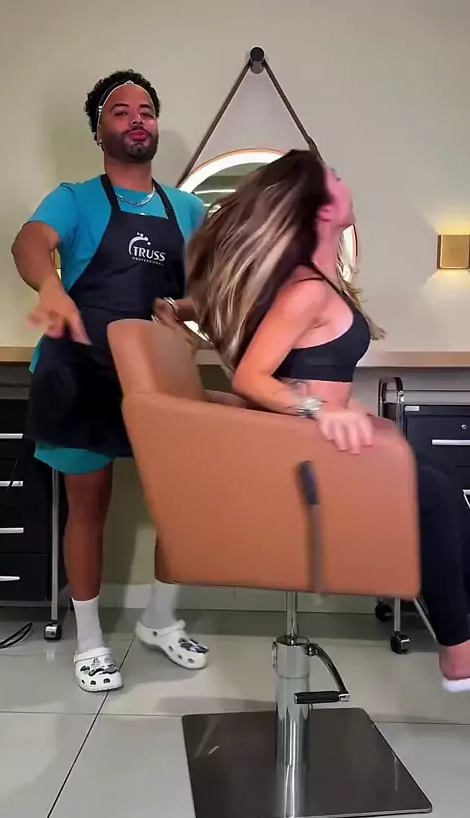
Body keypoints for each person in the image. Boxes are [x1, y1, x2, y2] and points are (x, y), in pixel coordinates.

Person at [185, 148, 470, 693]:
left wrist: (347, 412)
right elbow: (251, 378)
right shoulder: (307, 290)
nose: (344, 181)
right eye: (334, 177)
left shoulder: (318, 280)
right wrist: (320, 409)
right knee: (432, 492)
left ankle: (463, 638)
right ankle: (457, 653)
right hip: (303, 459)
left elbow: (308, 370)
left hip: (317, 448)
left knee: (439, 479)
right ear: (320, 208)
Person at [11, 69, 209, 692]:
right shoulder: (74, 199)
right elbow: (29, 243)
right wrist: (49, 286)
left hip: (154, 375)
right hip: (80, 372)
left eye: (145, 109)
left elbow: (209, 290)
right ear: (99, 131)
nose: (136, 119)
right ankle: (91, 641)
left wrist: (181, 309)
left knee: (181, 502)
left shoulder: (188, 209)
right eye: (120, 111)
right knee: (88, 507)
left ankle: (160, 620)